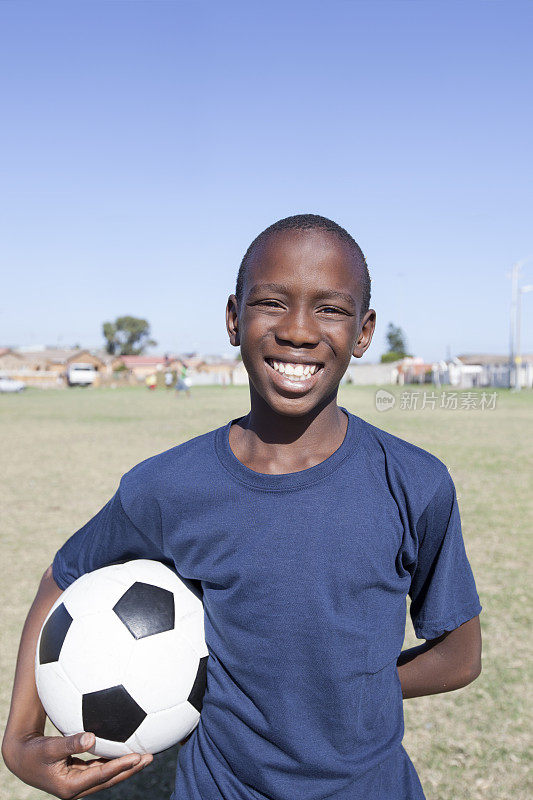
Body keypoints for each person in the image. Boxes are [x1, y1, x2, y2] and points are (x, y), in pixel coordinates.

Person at [2, 214, 483, 800]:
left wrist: (349, 688)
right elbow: (62, 575)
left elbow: (460, 656)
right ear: (234, 318)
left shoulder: (414, 482)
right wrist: (19, 738)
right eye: (272, 303)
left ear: (364, 331)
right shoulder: (168, 485)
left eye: (330, 308)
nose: (299, 331)